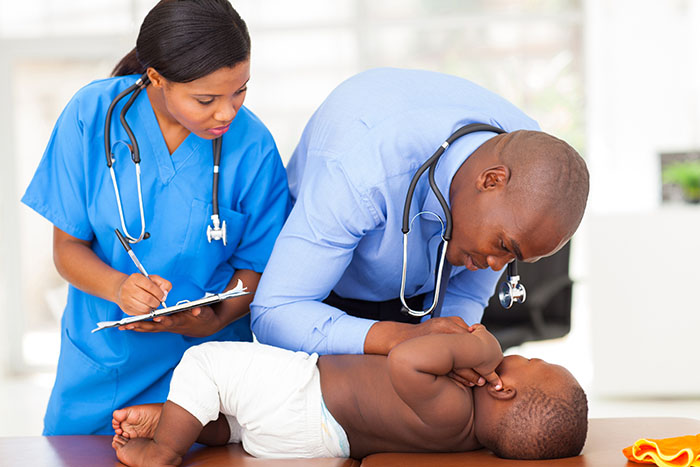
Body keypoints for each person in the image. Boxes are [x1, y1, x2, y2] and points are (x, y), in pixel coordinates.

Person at [21, 0, 289, 435]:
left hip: (206, 367)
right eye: (206, 99)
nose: (227, 112)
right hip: (105, 362)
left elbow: (257, 270)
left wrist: (214, 319)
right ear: (156, 78)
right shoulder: (92, 116)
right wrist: (119, 288)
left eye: (240, 90)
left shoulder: (253, 145)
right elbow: (67, 249)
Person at [249, 67, 590, 370]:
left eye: (511, 258)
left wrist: (454, 349)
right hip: (325, 294)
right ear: (490, 180)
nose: (494, 264)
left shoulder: (531, 166)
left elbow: (465, 299)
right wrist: (399, 337)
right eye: (502, 246)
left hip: (416, 294)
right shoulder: (362, 167)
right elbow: (276, 312)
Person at [110, 323, 588, 464]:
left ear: (502, 390)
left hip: (305, 394)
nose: (521, 357)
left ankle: (164, 450)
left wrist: (481, 344)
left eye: (534, 363)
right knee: (236, 424)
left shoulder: (453, 408)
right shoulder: (466, 437)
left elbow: (407, 361)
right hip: (309, 441)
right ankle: (190, 419)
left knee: (207, 362)